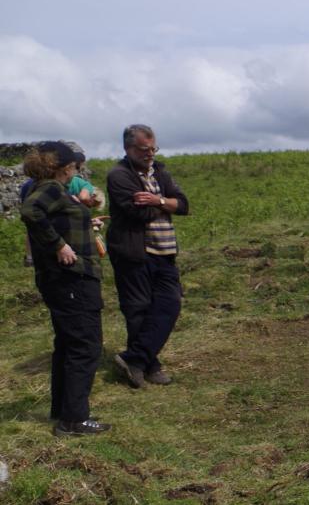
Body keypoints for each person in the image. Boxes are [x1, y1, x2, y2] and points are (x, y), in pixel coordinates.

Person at [19, 141, 110, 437]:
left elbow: (47, 217)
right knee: (86, 345)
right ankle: (74, 420)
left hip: (62, 279)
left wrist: (82, 224)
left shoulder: (45, 188)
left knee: (68, 344)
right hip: (71, 279)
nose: (76, 171)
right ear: (65, 166)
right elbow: (31, 212)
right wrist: (60, 245)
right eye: (74, 167)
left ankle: (65, 410)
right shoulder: (51, 188)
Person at [106, 124, 189, 389]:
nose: (150, 154)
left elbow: (184, 205)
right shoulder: (118, 176)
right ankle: (148, 366)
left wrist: (157, 201)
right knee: (138, 309)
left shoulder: (160, 171)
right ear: (128, 149)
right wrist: (166, 202)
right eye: (144, 149)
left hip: (164, 252)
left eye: (153, 148)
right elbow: (137, 213)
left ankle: (134, 359)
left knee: (170, 304)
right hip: (133, 253)